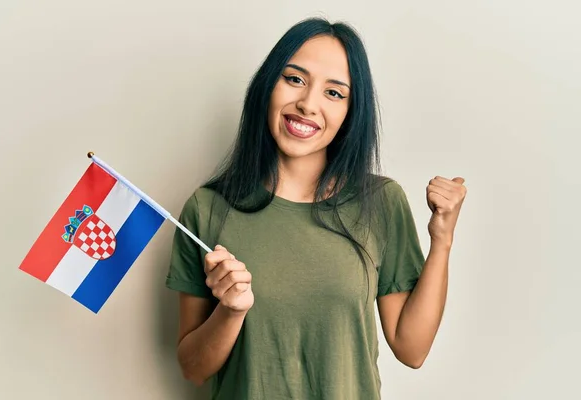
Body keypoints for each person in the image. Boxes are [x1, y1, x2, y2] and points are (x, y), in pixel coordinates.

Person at [165, 17, 467, 400]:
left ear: (351, 112)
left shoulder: (381, 202)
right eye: (294, 79)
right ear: (267, 86)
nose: (308, 104)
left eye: (334, 93)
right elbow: (192, 369)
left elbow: (412, 349)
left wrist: (442, 239)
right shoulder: (207, 209)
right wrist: (231, 311)